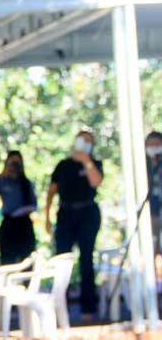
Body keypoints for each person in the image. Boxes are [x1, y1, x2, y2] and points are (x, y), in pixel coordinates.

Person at [45, 130, 104, 322]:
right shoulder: (63, 165)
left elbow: (96, 182)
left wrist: (86, 161)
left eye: (89, 141)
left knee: (86, 259)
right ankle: (61, 308)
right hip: (66, 214)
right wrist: (46, 216)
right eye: (82, 140)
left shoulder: (95, 163)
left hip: (87, 212)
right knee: (62, 259)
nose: (85, 143)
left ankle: (88, 309)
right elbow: (51, 191)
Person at [0, 150, 37, 265]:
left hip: (24, 224)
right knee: (7, 259)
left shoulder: (26, 183)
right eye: (12, 162)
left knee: (27, 259)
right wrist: (3, 174)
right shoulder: (2, 181)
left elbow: (34, 204)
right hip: (9, 223)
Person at [145, 131, 162, 256]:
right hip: (151, 212)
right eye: (150, 145)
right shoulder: (143, 165)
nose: (154, 147)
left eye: (157, 144)